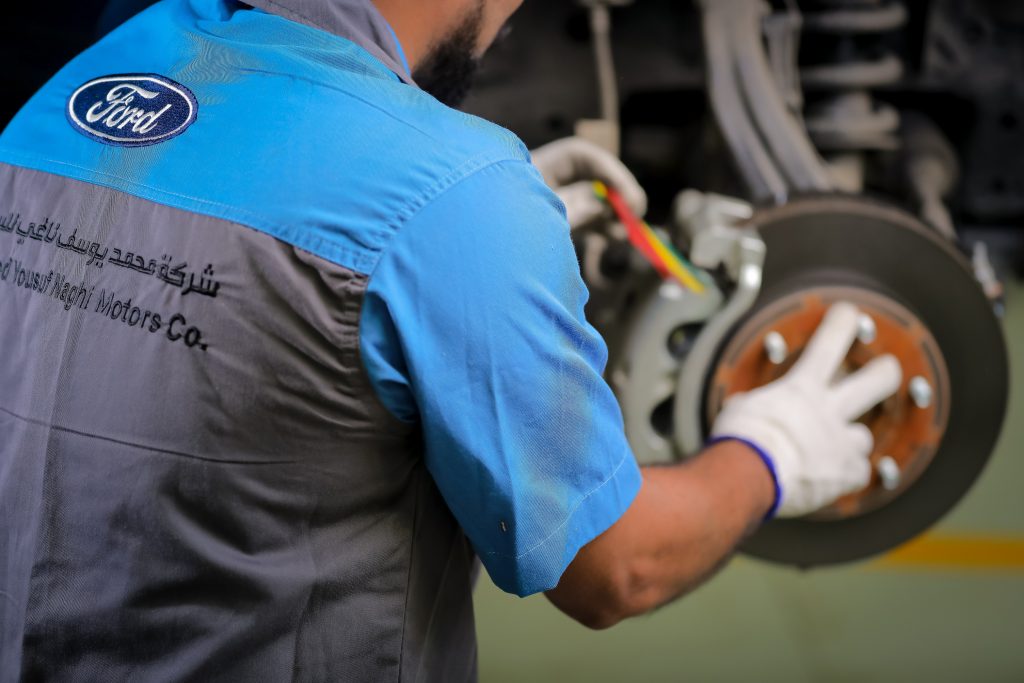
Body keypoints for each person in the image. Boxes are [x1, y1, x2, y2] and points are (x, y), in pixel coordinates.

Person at [0, 0, 901, 679]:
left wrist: (461, 257)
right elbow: (619, 568)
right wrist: (774, 449)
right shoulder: (456, 190)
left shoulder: (88, 78)